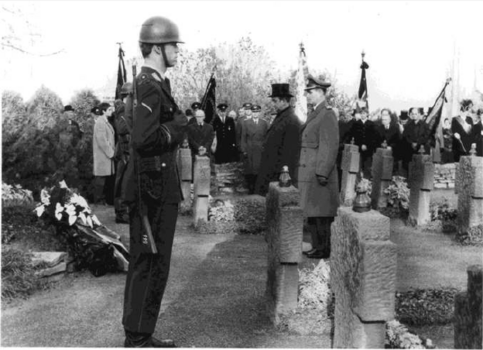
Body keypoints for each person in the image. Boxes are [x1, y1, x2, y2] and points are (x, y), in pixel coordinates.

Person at [121, 16, 188, 348]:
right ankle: (137, 335)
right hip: (153, 190)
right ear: (159, 48)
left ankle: (140, 332)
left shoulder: (155, 82)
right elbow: (144, 139)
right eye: (174, 45)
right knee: (150, 264)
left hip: (156, 186)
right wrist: (178, 128)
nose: (177, 51)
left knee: (150, 263)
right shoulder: (149, 84)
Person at [298, 75, 339, 260]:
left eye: (311, 92)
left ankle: (324, 248)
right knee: (313, 213)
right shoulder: (315, 113)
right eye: (307, 92)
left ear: (322, 93)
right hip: (310, 172)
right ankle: (317, 246)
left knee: (322, 214)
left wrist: (322, 172)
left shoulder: (327, 114)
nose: (307, 95)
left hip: (319, 173)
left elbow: (329, 146)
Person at [255, 83, 301, 196]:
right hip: (270, 171)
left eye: (275, 101)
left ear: (284, 101)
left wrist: (283, 177)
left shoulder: (292, 120)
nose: (273, 104)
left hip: (278, 174)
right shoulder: (281, 116)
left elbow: (290, 154)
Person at [113, 82, 133, 223]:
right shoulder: (123, 111)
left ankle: (126, 211)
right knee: (122, 184)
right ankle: (121, 213)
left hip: (130, 152)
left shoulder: (129, 110)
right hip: (124, 153)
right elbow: (122, 129)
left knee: (128, 184)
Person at [241, 104, 268, 194]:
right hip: (250, 149)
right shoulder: (246, 122)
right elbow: (243, 137)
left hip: (260, 149)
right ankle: (251, 189)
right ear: (251, 113)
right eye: (253, 112)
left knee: (258, 170)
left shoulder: (263, 123)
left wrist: (265, 148)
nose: (255, 114)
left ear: (259, 113)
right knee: (250, 170)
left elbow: (266, 137)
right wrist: (244, 150)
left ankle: (258, 189)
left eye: (257, 112)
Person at [93, 102, 116, 204]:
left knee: (104, 180)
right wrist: (111, 153)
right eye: (109, 110)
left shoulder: (105, 121)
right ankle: (98, 201)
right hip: (103, 156)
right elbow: (102, 141)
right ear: (103, 111)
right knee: (100, 181)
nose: (112, 111)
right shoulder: (100, 122)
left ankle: (102, 201)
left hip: (105, 156)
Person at [346, 106, 377, 179]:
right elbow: (352, 135)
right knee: (357, 166)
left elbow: (373, 138)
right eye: (361, 113)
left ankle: (366, 183)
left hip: (368, 150)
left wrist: (367, 145)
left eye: (364, 113)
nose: (363, 115)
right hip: (358, 149)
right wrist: (359, 145)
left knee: (367, 167)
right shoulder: (356, 123)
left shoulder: (371, 124)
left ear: (367, 114)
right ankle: (357, 182)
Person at [400, 107, 430, 175]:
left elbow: (426, 136)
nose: (414, 115)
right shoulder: (408, 125)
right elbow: (405, 136)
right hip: (410, 149)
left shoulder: (425, 126)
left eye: (416, 114)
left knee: (420, 168)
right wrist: (411, 143)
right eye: (413, 114)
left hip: (421, 148)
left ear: (419, 114)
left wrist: (417, 143)